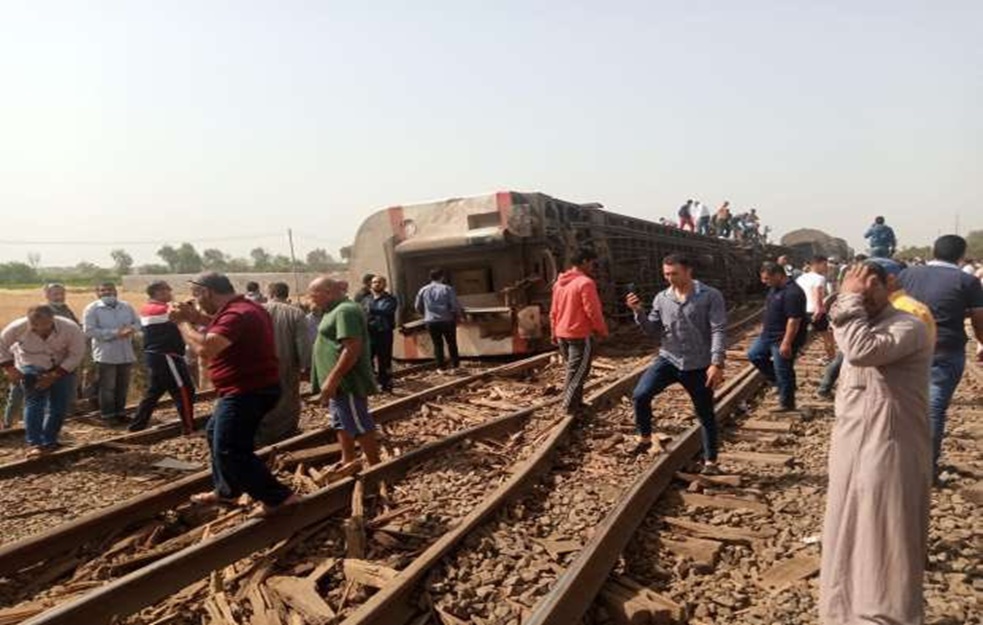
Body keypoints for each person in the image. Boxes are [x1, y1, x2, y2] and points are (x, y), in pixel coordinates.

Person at [819, 262, 933, 625]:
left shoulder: (908, 325)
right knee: (845, 529)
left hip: (889, 446)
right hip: (853, 446)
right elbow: (839, 325)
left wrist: (850, 298)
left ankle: (885, 616)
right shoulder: (858, 321)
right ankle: (843, 612)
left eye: (869, 292)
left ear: (891, 285)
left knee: (884, 534)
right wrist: (848, 299)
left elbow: (861, 351)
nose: (862, 301)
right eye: (857, 293)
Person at [171, 272, 298, 516]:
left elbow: (204, 348)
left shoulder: (237, 314)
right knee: (214, 434)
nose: (195, 301)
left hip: (248, 391)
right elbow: (220, 327)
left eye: (197, 296)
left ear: (207, 292)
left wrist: (181, 323)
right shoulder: (244, 307)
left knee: (231, 448)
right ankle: (227, 491)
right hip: (244, 388)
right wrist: (197, 317)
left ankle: (280, 498)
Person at [626, 254, 726, 470]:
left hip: (699, 364)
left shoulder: (710, 296)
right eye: (666, 274)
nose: (670, 278)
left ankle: (711, 461)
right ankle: (644, 438)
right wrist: (638, 312)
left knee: (705, 413)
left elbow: (718, 329)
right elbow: (652, 331)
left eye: (674, 274)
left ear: (688, 271)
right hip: (668, 359)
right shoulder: (662, 298)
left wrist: (716, 363)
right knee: (640, 395)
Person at [899, 235, 983, 478]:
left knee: (904, 406)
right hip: (946, 350)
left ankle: (899, 461)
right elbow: (979, 320)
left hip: (907, 350)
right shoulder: (967, 280)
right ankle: (926, 469)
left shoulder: (908, 275)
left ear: (933, 251)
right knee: (934, 409)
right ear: (961, 255)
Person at [816, 258, 936, 399]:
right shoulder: (870, 310)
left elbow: (861, 352)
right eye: (858, 287)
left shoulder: (908, 312)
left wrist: (850, 301)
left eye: (873, 284)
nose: (866, 292)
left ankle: (825, 386)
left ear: (890, 282)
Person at [308, 276, 382, 466]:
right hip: (338, 382)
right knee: (340, 421)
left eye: (313, 294)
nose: (311, 299)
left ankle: (376, 466)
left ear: (328, 292)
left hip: (347, 381)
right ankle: (348, 459)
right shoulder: (332, 310)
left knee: (358, 423)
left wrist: (332, 380)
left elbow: (352, 348)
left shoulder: (345, 311)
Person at [0, 305, 86, 456]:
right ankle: (35, 443)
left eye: (44, 325)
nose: (39, 329)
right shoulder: (16, 328)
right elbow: (1, 346)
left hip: (62, 366)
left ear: (52, 319)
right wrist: (10, 369)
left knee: (59, 406)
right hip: (31, 365)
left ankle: (50, 440)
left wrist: (54, 375)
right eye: (34, 326)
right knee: (34, 402)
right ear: (29, 321)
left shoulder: (70, 328)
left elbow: (76, 355)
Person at [3, 283, 81, 429]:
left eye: (61, 293)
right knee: (19, 394)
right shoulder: (31, 317)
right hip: (27, 363)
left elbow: (76, 339)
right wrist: (10, 368)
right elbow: (4, 344)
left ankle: (39, 428)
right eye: (55, 294)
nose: (59, 296)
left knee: (48, 398)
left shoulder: (66, 312)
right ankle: (9, 424)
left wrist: (56, 373)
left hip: (56, 363)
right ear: (46, 295)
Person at [129, 281, 196, 433]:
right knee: (183, 390)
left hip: (162, 356)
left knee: (154, 391)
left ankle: (137, 425)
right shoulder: (154, 309)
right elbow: (178, 314)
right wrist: (189, 305)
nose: (170, 292)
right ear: (158, 292)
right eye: (167, 289)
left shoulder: (155, 308)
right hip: (166, 356)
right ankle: (189, 428)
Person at [549, 248, 609, 415]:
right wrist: (602, 330)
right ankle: (568, 407)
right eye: (592, 263)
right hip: (579, 335)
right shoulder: (585, 283)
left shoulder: (559, 283)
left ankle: (576, 403)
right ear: (584, 262)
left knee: (574, 370)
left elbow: (553, 311)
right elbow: (593, 311)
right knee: (578, 373)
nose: (593, 267)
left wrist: (553, 331)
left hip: (562, 334)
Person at [748, 262, 807, 412]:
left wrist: (787, 343)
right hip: (768, 335)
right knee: (754, 355)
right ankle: (780, 383)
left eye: (767, 278)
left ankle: (787, 403)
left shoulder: (793, 292)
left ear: (778, 275)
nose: (764, 282)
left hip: (782, 338)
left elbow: (794, 320)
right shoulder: (774, 289)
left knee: (783, 369)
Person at [257, 282, 312, 445]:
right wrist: (306, 366)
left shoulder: (257, 310)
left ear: (270, 293)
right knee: (287, 397)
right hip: (286, 362)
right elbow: (303, 343)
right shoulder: (296, 313)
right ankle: (284, 434)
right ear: (286, 294)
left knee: (262, 395)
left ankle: (263, 432)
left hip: (259, 363)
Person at [82, 282, 139, 424]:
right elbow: (89, 331)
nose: (107, 292)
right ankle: (108, 415)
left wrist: (131, 329)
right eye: (103, 290)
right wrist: (115, 333)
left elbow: (138, 323)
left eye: (110, 289)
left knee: (122, 385)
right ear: (98, 293)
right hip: (106, 354)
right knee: (107, 387)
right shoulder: (92, 309)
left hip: (125, 352)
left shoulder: (126, 306)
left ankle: (120, 412)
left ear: (116, 291)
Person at [414, 268, 463, 371]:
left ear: (430, 277)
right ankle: (455, 364)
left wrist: (425, 314)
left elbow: (417, 306)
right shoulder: (447, 289)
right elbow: (454, 306)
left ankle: (441, 366)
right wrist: (457, 317)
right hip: (447, 320)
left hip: (431, 321)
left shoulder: (423, 289)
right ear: (442, 277)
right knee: (452, 343)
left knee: (437, 344)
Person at [795, 255, 835, 361]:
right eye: (824, 265)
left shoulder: (800, 278)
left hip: (803, 310)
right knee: (828, 337)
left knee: (800, 337)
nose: (827, 267)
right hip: (816, 310)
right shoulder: (820, 278)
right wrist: (819, 310)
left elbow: (797, 294)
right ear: (816, 265)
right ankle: (832, 359)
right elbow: (817, 294)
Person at [364, 275, 398, 392]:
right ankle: (371, 384)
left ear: (384, 285)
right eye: (374, 282)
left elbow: (386, 310)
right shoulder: (367, 299)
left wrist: (370, 310)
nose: (376, 284)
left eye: (379, 282)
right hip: (369, 333)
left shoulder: (390, 299)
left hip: (384, 333)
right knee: (368, 359)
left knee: (384, 360)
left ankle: (386, 383)